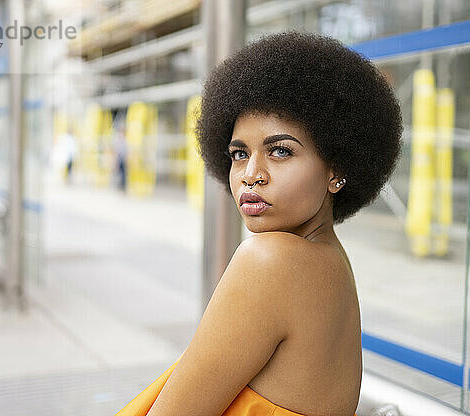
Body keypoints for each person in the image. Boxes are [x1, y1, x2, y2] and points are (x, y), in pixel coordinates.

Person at [116, 31, 402, 416]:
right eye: (238, 153)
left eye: (280, 151)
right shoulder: (330, 262)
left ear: (336, 169)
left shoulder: (272, 260)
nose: (251, 174)